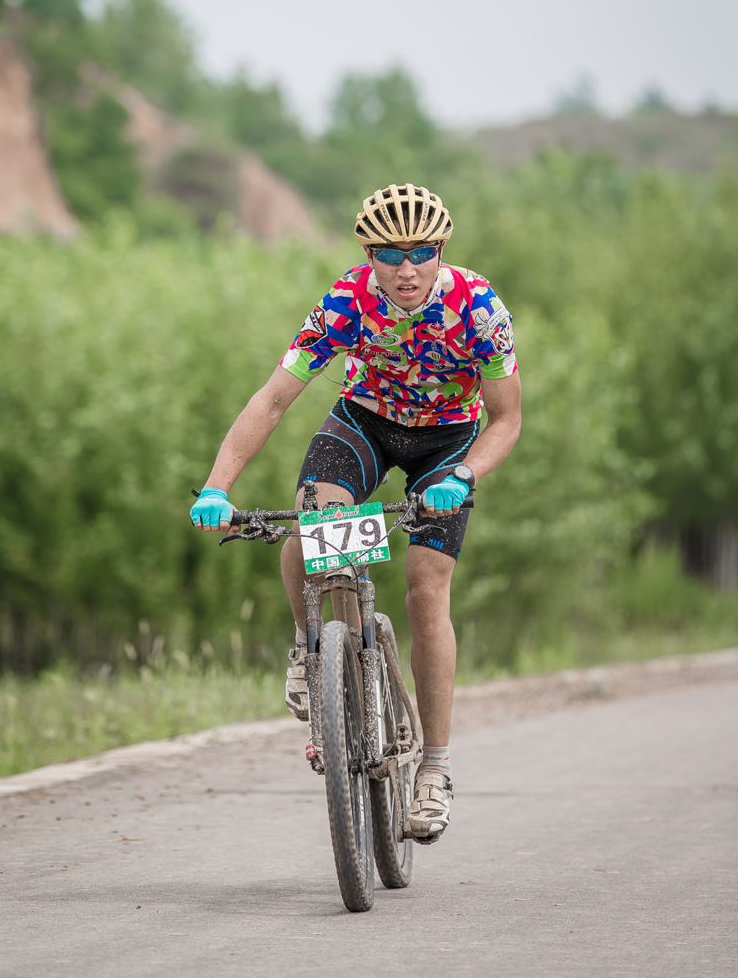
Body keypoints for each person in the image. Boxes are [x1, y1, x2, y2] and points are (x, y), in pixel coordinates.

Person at [190, 183, 521, 842]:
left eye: (421, 252)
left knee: (427, 587)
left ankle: (433, 767)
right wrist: (216, 486)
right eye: (390, 253)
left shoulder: (478, 309)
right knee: (317, 526)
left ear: (439, 251)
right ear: (369, 253)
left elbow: (508, 420)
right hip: (364, 423)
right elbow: (273, 399)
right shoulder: (347, 301)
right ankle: (317, 655)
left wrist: (462, 474)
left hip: (448, 440)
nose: (406, 269)